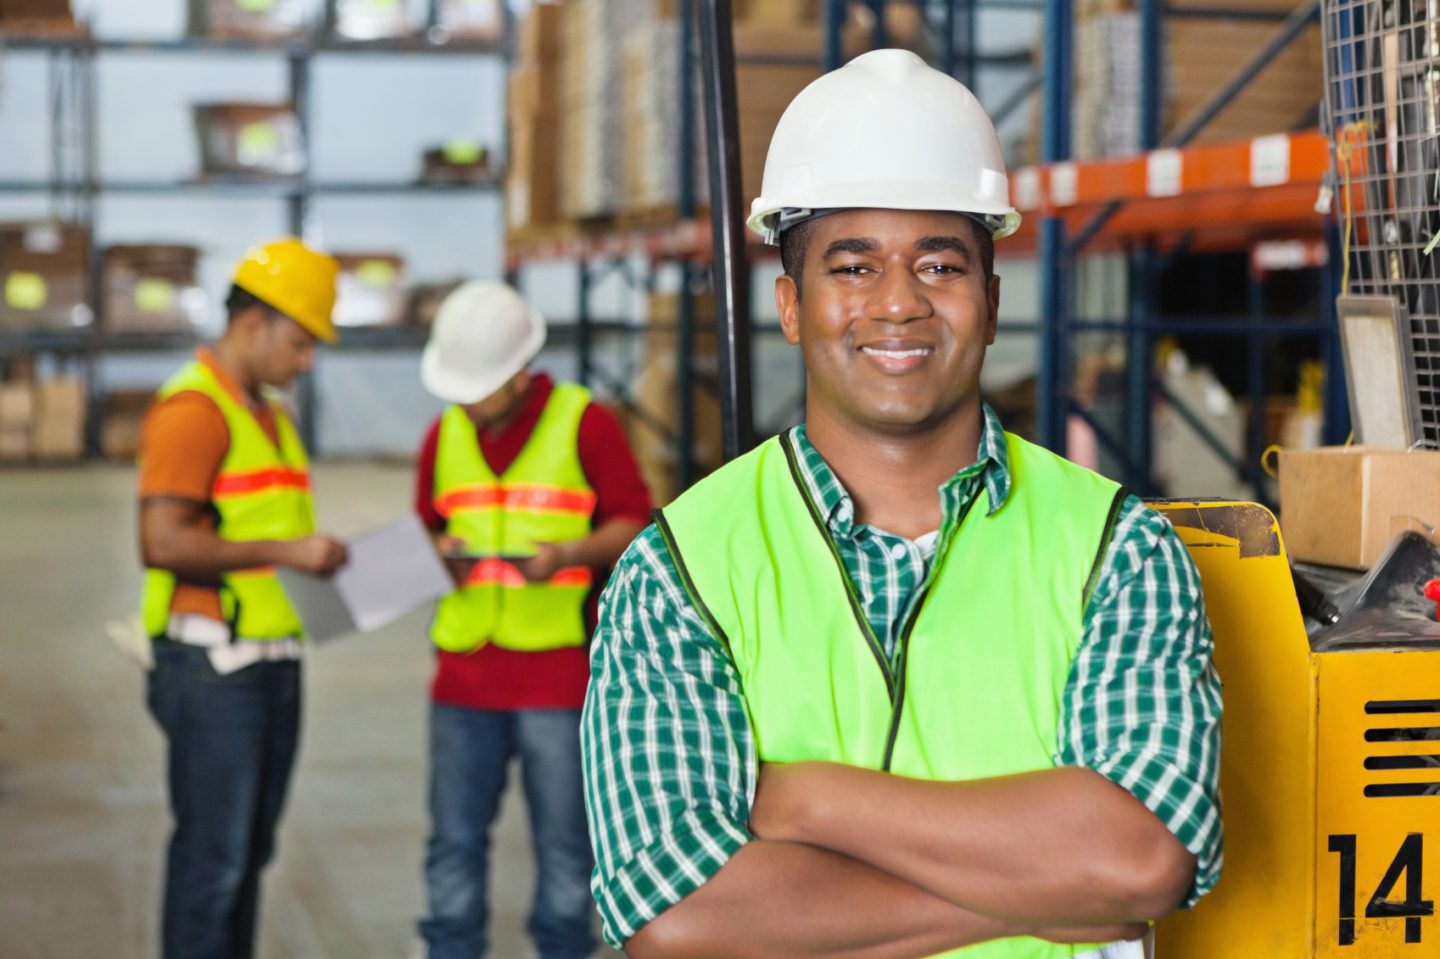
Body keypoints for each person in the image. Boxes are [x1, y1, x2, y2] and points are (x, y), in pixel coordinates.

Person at [581, 49, 1223, 959]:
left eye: (939, 265)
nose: (897, 304)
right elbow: (678, 919)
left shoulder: (1116, 548)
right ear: (791, 306)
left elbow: (1137, 859)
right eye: (851, 267)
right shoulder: (681, 569)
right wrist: (1031, 895)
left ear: (991, 303)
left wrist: (803, 800)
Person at [413, 280, 651, 959]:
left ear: (520, 374)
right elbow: (424, 532)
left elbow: (635, 520)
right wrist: (440, 555)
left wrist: (572, 553)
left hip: (559, 678)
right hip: (462, 677)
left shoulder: (586, 424)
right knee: (453, 843)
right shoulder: (444, 434)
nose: (465, 401)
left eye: (478, 386)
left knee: (567, 848)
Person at [137, 237, 349, 959]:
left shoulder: (269, 414)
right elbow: (163, 542)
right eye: (300, 342)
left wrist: (315, 559)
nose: (307, 361)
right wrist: (289, 552)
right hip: (213, 672)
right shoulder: (194, 412)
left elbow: (263, 531)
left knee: (247, 858)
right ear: (253, 322)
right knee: (213, 866)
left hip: (272, 660)